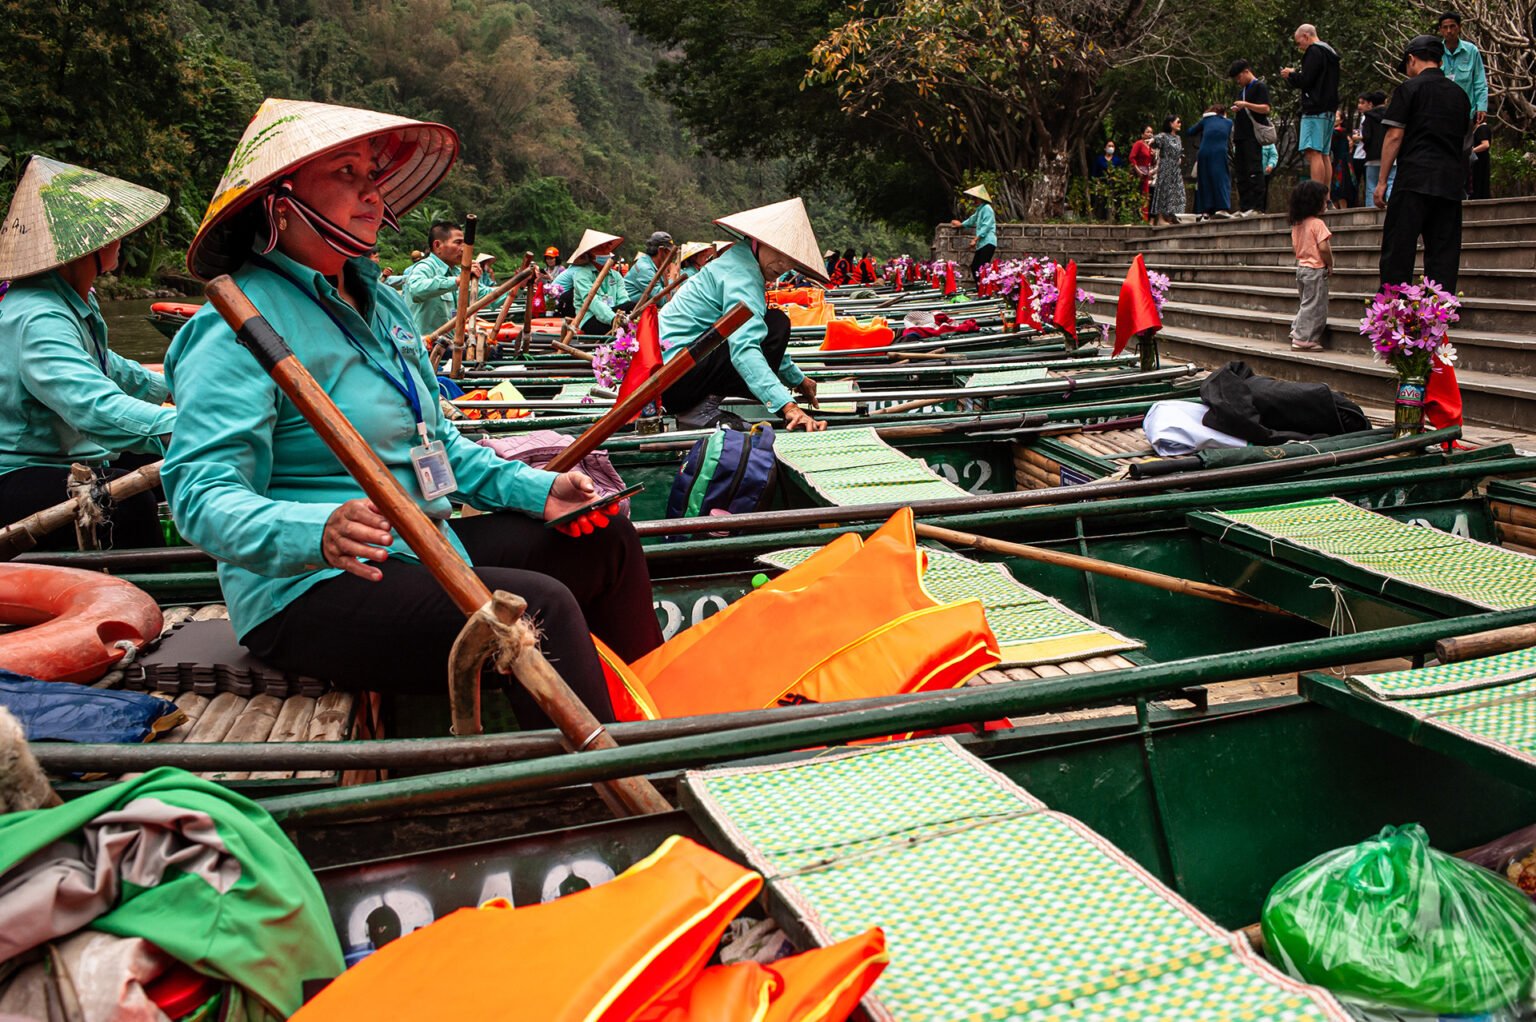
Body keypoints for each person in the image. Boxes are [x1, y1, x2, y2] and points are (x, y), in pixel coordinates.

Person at [166, 97, 659, 727]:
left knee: (606, 540)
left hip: (428, 540)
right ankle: (603, 788)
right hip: (310, 586)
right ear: (277, 203)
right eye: (346, 173)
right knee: (539, 606)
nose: (372, 194)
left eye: (372, 174)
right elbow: (200, 496)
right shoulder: (236, 323)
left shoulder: (383, 305)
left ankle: (653, 716)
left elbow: (440, 448)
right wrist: (316, 529)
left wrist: (544, 492)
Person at [0, 156, 177, 550]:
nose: (120, 239)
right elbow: (92, 407)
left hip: (68, 458)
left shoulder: (74, 300)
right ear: (86, 247)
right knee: (131, 503)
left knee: (178, 475)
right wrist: (180, 426)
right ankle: (156, 595)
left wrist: (174, 388)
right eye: (112, 233)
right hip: (19, 474)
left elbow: (107, 368)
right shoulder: (38, 316)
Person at [659, 197, 826, 433]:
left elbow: (755, 333)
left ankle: (700, 404)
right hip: (675, 380)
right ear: (759, 241)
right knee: (777, 323)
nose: (783, 263)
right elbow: (745, 348)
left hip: (672, 375)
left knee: (771, 322)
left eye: (792, 260)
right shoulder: (743, 276)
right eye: (778, 251)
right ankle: (699, 409)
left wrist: (797, 379)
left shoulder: (739, 260)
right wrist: (788, 407)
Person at [1377, 35, 1472, 290]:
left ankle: (1392, 311)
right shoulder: (1460, 95)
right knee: (1444, 252)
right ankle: (1438, 314)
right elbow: (1465, 144)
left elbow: (1394, 136)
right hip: (1450, 183)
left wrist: (1382, 181)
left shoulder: (1409, 89)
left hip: (1414, 178)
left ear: (1411, 59)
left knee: (1399, 248)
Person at [1281, 24, 1342, 190]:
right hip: (1329, 107)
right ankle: (1327, 196)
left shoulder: (1314, 52)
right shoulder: (1330, 53)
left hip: (1315, 108)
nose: (1299, 47)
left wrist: (1291, 75)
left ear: (1306, 37)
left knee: (1313, 152)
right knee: (1324, 153)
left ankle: (1318, 195)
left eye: (1299, 42)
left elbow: (1306, 80)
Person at [402, 221, 486, 339]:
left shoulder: (458, 272)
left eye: (464, 243)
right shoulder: (425, 267)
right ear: (437, 246)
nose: (464, 249)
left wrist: (517, 286)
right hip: (423, 347)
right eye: (458, 243)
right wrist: (457, 281)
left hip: (448, 345)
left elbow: (484, 294)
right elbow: (416, 290)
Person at [1287, 179, 1333, 352]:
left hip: (1302, 268)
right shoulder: (1317, 224)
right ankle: (1303, 338)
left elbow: (1294, 247)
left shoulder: (1297, 224)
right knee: (1315, 305)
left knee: (1306, 303)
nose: (1327, 204)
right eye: (1324, 201)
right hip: (1315, 269)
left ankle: (1297, 330)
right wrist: (1330, 264)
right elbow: (1324, 248)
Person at [560, 229, 630, 332]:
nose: (606, 251)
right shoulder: (582, 275)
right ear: (591, 253)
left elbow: (623, 298)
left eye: (607, 247)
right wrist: (613, 320)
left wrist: (623, 317)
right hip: (590, 318)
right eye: (601, 248)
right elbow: (593, 303)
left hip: (615, 312)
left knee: (631, 305)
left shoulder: (615, 275)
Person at [1228, 61, 1274, 213]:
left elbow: (1265, 108)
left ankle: (1258, 206)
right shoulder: (1242, 91)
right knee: (1241, 173)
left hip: (1252, 136)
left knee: (1254, 169)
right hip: (1240, 136)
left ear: (1246, 72)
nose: (1238, 81)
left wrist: (1246, 104)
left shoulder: (1259, 86)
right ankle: (1245, 205)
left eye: (1239, 77)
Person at [1437, 11, 1488, 125]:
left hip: (1467, 113)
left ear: (1459, 27)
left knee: (1467, 143)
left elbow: (1479, 81)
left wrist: (1482, 107)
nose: (1449, 31)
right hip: (1441, 113)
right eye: (1445, 27)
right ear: (1440, 30)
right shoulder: (1436, 52)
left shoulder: (1471, 51)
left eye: (1452, 26)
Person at [1189, 105, 1234, 216]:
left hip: (1203, 152)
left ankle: (1205, 210)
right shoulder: (1228, 122)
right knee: (1221, 178)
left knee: (1204, 179)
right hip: (1219, 152)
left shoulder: (1206, 120)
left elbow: (1190, 131)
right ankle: (1222, 207)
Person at [949, 185, 997, 279]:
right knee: (976, 267)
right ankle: (981, 289)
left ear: (981, 199)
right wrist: (961, 224)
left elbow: (986, 227)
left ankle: (983, 290)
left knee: (980, 268)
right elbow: (972, 220)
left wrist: (975, 239)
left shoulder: (987, 208)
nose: (973, 200)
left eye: (975, 198)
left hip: (988, 242)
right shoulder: (980, 209)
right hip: (982, 243)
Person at [1359, 91, 1394, 207]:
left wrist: (1367, 148)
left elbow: (1366, 137)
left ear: (1371, 103)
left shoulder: (1368, 117)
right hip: (1391, 155)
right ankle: (1391, 208)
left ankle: (1370, 211)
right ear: (1385, 101)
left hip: (1372, 156)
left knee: (1371, 185)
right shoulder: (1392, 114)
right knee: (1391, 182)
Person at [1149, 115, 1186, 225]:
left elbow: (1180, 152)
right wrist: (1152, 139)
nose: (1180, 124)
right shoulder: (1163, 136)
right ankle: (1160, 218)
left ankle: (1172, 217)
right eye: (1178, 121)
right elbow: (1154, 140)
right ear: (1171, 123)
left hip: (1176, 169)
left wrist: (1180, 158)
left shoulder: (1178, 138)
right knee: (1164, 191)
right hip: (1166, 167)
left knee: (1178, 192)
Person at [623, 231, 673, 305]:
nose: (672, 255)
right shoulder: (645, 269)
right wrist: (673, 276)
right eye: (669, 252)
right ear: (661, 251)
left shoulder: (656, 267)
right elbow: (664, 300)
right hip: (630, 310)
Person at [1331, 110, 1357, 207]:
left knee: (1341, 189)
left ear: (1341, 120)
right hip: (1339, 162)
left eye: (1336, 116)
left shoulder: (1339, 132)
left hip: (1342, 163)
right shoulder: (1342, 133)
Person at [1129, 126, 1156, 221]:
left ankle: (1144, 219)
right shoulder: (1138, 144)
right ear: (1142, 134)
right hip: (1138, 172)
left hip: (1146, 173)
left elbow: (1152, 163)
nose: (1150, 134)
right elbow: (1132, 157)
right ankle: (1134, 217)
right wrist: (1137, 170)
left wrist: (1153, 156)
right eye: (1147, 131)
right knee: (1136, 195)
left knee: (1145, 197)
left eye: (1151, 132)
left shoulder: (1149, 147)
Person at [1470, 118, 1492, 198]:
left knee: (1479, 182)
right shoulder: (1481, 128)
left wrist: (1472, 151)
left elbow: (1485, 145)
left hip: (1480, 160)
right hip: (1480, 160)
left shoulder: (1482, 128)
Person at [1262, 141, 1280, 210]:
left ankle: (1262, 210)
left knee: (1263, 194)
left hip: (1264, 174)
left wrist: (1270, 165)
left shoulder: (1268, 142)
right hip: (1251, 173)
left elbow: (1274, 155)